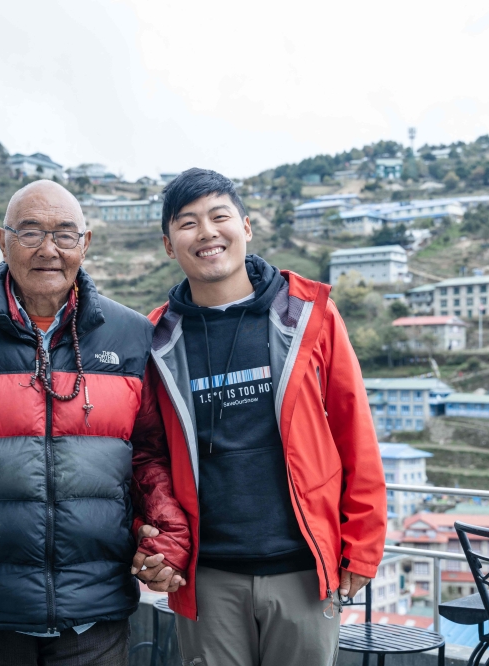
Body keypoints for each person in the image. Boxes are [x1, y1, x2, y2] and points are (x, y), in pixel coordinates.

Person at [0, 180, 190, 665]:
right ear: (3, 242)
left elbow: (149, 456)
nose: (49, 249)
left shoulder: (130, 337)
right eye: (30, 233)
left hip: (94, 608)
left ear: (84, 245)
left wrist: (169, 538)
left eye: (65, 235)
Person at [148, 168, 388, 665]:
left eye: (219, 216)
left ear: (246, 226)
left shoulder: (308, 316)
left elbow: (355, 431)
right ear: (170, 245)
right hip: (207, 575)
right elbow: (145, 451)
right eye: (188, 223)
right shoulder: (154, 339)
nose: (207, 232)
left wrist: (362, 545)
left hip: (301, 569)